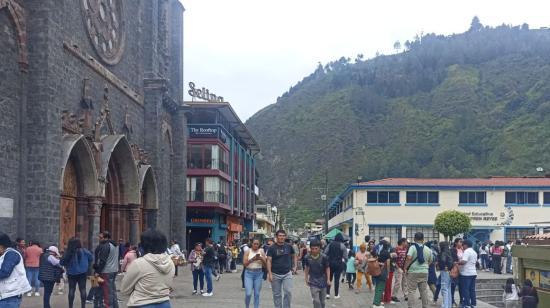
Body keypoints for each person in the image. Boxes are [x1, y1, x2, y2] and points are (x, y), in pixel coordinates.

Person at [121, 229, 175, 307]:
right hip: (165, 303)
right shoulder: (170, 263)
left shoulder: (139, 263)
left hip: (142, 304)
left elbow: (124, 289)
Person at [60, 237, 93, 308]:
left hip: (71, 273)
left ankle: (70, 306)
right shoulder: (84, 251)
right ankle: (83, 306)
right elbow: (91, 258)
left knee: (71, 289)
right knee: (83, 289)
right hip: (83, 272)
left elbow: (61, 262)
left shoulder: (68, 252)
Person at [0, 232, 31, 307]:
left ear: (2, 245)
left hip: (10, 296)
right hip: (4, 295)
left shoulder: (11, 254)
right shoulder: (3, 255)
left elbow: (4, 272)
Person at [267, 229, 297, 308]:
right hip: (275, 274)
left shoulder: (289, 246)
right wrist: (269, 274)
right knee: (277, 294)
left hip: (287, 273)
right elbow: (269, 261)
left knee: (288, 292)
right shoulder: (272, 248)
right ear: (276, 237)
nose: (282, 237)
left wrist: (295, 266)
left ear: (285, 237)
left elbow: (294, 256)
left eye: (283, 236)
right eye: (280, 236)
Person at [403, 232, 433, 308]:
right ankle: (425, 306)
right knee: (424, 290)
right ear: (423, 239)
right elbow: (431, 260)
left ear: (414, 239)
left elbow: (409, 258)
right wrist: (426, 266)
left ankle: (411, 306)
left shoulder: (412, 247)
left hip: (413, 272)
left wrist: (405, 268)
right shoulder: (428, 249)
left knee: (412, 291)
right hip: (424, 272)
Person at [93, 231, 119, 308]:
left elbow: (102, 260)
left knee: (107, 292)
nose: (100, 239)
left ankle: (107, 306)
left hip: (105, 271)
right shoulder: (115, 245)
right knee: (112, 291)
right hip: (113, 270)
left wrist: (97, 271)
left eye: (101, 238)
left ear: (106, 237)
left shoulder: (105, 246)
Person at [304, 239, 330, 308]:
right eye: (312, 249)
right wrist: (306, 278)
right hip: (313, 281)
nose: (314, 250)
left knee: (322, 302)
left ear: (319, 248)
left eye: (316, 248)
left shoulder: (324, 257)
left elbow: (327, 268)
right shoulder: (307, 257)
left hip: (323, 281)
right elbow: (307, 268)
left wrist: (328, 279)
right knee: (316, 300)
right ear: (310, 248)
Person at [243, 238, 267, 308]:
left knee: (257, 294)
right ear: (251, 244)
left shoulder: (261, 251)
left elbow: (265, 265)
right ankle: (247, 306)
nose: (256, 245)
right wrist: (252, 259)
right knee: (248, 293)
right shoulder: (248, 251)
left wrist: (261, 258)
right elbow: (244, 264)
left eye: (257, 244)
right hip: (248, 273)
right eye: (254, 244)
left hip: (259, 273)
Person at [324, 233, 347, 299]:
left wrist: (327, 260)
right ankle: (336, 295)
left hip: (330, 264)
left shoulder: (330, 244)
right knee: (336, 280)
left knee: (329, 278)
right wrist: (344, 261)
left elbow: (325, 253)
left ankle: (327, 294)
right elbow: (345, 257)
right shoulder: (342, 246)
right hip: (338, 264)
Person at [457, 239, 478, 308]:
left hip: (466, 273)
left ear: (466, 245)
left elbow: (464, 262)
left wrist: (457, 262)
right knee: (472, 289)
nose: (462, 246)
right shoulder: (474, 252)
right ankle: (473, 304)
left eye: (463, 245)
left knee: (465, 289)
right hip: (473, 273)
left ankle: (466, 304)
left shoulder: (467, 251)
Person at [437, 241, 453, 308]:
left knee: (444, 289)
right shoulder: (449, 252)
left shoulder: (443, 253)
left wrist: (443, 266)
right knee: (448, 289)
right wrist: (449, 267)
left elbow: (443, 261)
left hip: (444, 271)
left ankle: (445, 306)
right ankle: (449, 305)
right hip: (449, 271)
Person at [392, 238, 408, 302]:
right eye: (406, 242)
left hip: (403, 268)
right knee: (398, 282)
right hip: (397, 269)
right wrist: (398, 268)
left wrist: (405, 268)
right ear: (402, 242)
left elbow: (406, 259)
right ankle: (394, 296)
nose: (407, 243)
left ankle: (406, 295)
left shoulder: (405, 249)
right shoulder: (395, 249)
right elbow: (393, 261)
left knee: (405, 282)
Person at [450, 238, 464, 307]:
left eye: (462, 242)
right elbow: (454, 261)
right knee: (453, 286)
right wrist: (458, 269)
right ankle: (452, 301)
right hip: (456, 271)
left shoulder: (463, 250)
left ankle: (461, 301)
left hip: (463, 271)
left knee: (461, 287)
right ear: (455, 243)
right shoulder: (453, 250)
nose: (461, 243)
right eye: (460, 242)